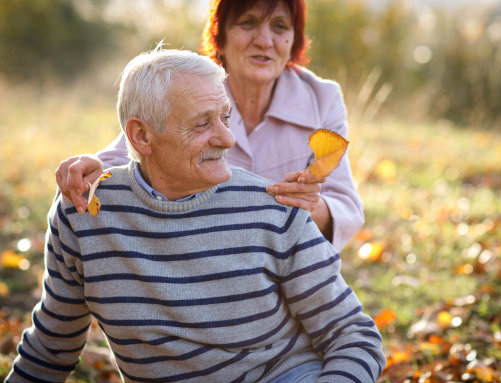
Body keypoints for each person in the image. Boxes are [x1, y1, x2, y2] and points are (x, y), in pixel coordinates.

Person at [0, 48, 384, 383]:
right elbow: (53, 343)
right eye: (203, 123)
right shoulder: (84, 213)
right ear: (141, 136)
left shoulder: (272, 206)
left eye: (226, 117)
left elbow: (354, 336)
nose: (227, 138)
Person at [55, 0, 364, 252]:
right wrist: (91, 166)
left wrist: (309, 205)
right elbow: (133, 150)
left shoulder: (323, 98)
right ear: (221, 36)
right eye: (247, 22)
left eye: (280, 26)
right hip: (201, 262)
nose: (265, 40)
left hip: (287, 266)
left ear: (293, 40)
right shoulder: (194, 88)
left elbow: (344, 207)